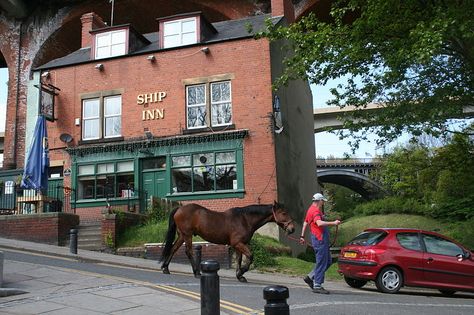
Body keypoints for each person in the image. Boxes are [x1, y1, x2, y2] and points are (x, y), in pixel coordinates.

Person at [299, 193, 341, 294]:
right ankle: (317, 285)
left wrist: (302, 236)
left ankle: (310, 277)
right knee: (322, 262)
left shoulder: (310, 209)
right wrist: (333, 223)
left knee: (328, 262)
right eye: (322, 201)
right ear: (319, 201)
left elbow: (306, 222)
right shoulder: (315, 211)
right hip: (320, 239)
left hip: (320, 239)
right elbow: (319, 223)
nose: (323, 203)